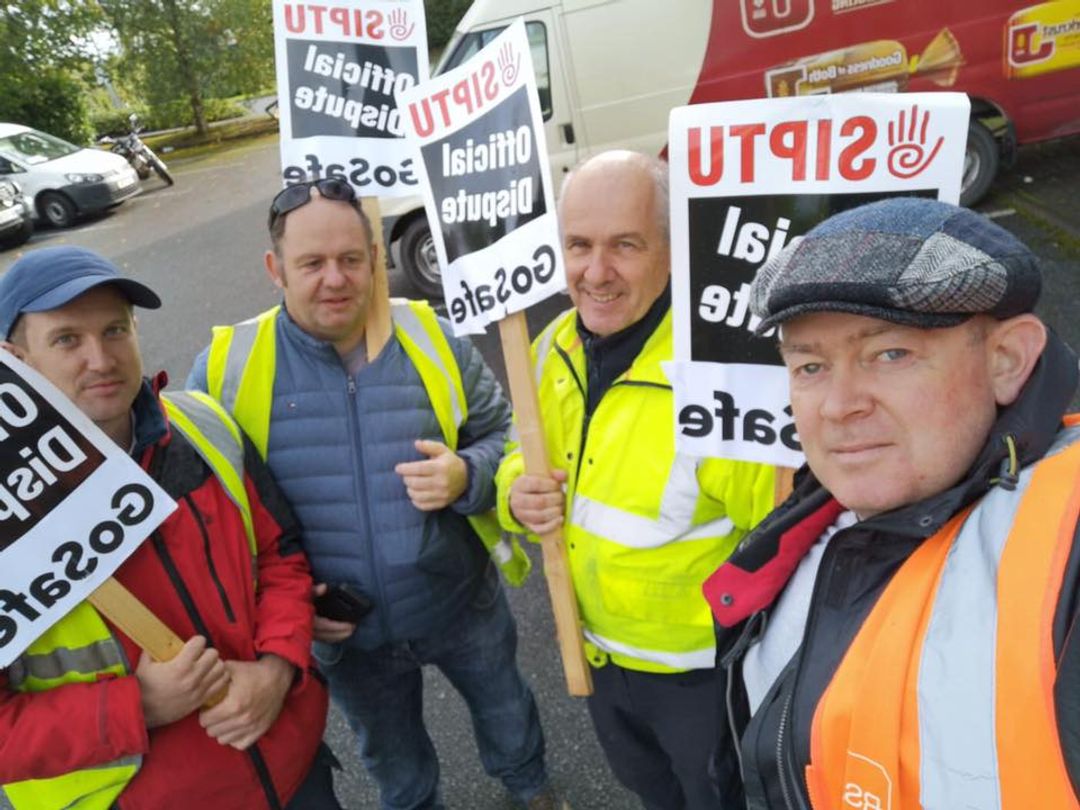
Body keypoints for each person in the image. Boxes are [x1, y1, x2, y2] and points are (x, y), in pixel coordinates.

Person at [186, 178, 553, 810]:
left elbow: (506, 435)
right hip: (344, 639)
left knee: (508, 715)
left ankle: (534, 794)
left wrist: (469, 475)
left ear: (376, 260)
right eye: (312, 263)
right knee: (394, 762)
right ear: (276, 269)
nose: (336, 278)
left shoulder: (431, 336)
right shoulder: (226, 369)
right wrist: (285, 610)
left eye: (351, 259)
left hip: (459, 603)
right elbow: (211, 527)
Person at [704, 196, 1080, 808]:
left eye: (890, 354)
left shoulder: (1066, 530)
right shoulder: (813, 518)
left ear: (1007, 360)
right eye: (809, 366)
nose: (837, 404)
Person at [0, 246, 338, 809]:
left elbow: (281, 557)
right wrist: (139, 706)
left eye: (114, 330)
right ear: (15, 361)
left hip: (291, 770)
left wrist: (277, 669)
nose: (101, 358)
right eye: (66, 340)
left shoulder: (203, 426)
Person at [496, 150, 776, 810]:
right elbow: (518, 451)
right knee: (651, 794)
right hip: (595, 654)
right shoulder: (551, 345)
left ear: (673, 249)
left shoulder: (722, 371)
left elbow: (779, 525)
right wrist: (515, 493)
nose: (597, 272)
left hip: (699, 679)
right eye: (578, 246)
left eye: (625, 245)